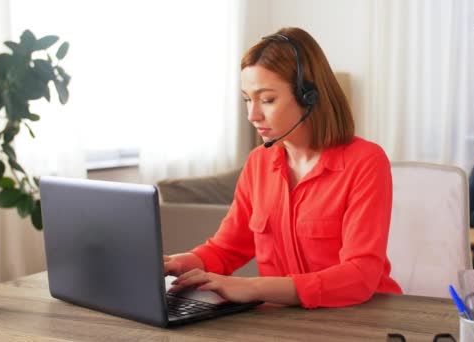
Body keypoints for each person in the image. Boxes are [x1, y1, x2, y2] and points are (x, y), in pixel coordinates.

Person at [164, 27, 402, 309]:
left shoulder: (365, 162)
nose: (252, 115)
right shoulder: (258, 163)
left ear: (308, 96)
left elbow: (360, 275)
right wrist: (181, 263)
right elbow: (227, 248)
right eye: (247, 100)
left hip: (360, 318)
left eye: (267, 100)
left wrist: (252, 287)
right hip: (285, 321)